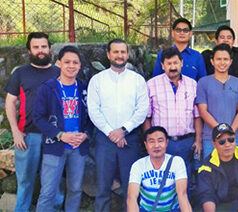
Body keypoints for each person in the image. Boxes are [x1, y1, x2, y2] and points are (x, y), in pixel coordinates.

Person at [87, 39, 149, 211]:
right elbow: (93, 110)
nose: (119, 55)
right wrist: (111, 133)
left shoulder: (137, 80)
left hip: (130, 140)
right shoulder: (97, 80)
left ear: (127, 54)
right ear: (108, 55)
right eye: (115, 52)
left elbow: (142, 109)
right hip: (104, 140)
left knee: (131, 189)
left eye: (123, 52)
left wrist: (123, 130)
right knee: (102, 188)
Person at [4, 32, 60, 211]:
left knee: (54, 182)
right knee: (25, 181)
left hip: (55, 137)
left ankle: (55, 209)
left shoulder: (60, 72)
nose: (40, 51)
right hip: (28, 137)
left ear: (49, 48)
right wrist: (15, 131)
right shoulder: (21, 73)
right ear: (29, 50)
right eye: (36, 47)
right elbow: (10, 102)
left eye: (44, 46)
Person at [33, 46, 90, 211]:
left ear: (80, 65)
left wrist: (86, 134)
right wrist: (59, 135)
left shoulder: (84, 87)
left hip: (78, 147)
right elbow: (38, 118)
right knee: (48, 191)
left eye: (75, 62)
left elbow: (92, 116)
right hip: (55, 145)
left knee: (75, 189)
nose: (71, 66)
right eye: (67, 62)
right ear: (58, 63)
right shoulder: (48, 88)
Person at [144, 47, 202, 186]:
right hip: (162, 142)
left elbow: (197, 116)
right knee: (162, 181)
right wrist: (150, 141)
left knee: (185, 180)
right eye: (169, 64)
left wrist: (198, 140)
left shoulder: (192, 84)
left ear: (181, 63)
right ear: (162, 65)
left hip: (186, 142)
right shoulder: (152, 84)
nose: (173, 67)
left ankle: (184, 207)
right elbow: (146, 117)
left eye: (175, 63)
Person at [196, 44, 238, 158]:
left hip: (233, 138)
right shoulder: (203, 83)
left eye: (225, 59)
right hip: (211, 138)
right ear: (212, 61)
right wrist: (221, 131)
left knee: (234, 173)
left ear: (231, 61)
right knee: (211, 173)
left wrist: (230, 132)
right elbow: (203, 111)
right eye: (218, 59)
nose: (222, 62)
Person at [127, 126, 192, 212]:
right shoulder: (138, 165)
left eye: (160, 141)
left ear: (166, 142)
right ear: (146, 145)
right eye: (151, 141)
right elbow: (131, 197)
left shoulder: (177, 162)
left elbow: (182, 195)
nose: (156, 145)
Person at [202, 25, 238, 95]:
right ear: (216, 41)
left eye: (229, 38)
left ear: (233, 41)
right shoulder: (206, 57)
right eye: (222, 37)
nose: (226, 40)